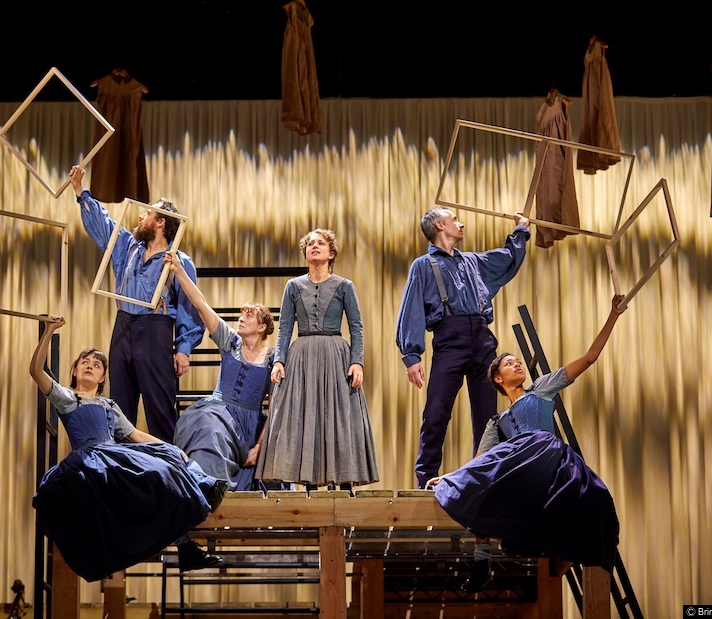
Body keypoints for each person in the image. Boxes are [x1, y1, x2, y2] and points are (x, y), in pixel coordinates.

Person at [427, 295, 627, 592]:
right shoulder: (497, 422)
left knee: (588, 490)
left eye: (518, 362)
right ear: (498, 378)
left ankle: (537, 542)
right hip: (523, 469)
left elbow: (589, 357)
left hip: (549, 458)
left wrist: (613, 315)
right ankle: (482, 560)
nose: (518, 365)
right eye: (509, 364)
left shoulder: (540, 389)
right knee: (482, 484)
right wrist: (450, 476)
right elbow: (479, 461)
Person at [29, 316, 226, 580]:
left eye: (96, 364)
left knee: (164, 468)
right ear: (74, 371)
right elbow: (36, 371)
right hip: (89, 462)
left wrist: (172, 448)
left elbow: (134, 434)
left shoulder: (109, 405)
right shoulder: (67, 398)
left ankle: (187, 540)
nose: (90, 366)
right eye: (84, 362)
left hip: (114, 456)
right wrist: (49, 331)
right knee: (153, 476)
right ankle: (185, 543)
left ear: (103, 377)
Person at [396, 208, 531, 489]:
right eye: (454, 220)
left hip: (482, 339)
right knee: (436, 411)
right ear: (439, 225)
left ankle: (484, 479)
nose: (461, 224)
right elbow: (412, 308)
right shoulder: (423, 265)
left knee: (487, 415)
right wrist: (412, 355)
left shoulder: (472, 261)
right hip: (450, 339)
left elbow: (507, 258)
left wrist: (521, 230)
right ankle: (425, 480)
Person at [70, 166, 205, 439]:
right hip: (123, 325)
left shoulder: (179, 261)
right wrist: (80, 191)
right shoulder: (128, 247)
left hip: (155, 328)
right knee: (120, 407)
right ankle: (123, 462)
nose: (141, 216)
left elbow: (190, 307)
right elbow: (103, 226)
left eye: (149, 213)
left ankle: (167, 463)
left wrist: (184, 349)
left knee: (159, 407)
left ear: (161, 223)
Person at [255, 228, 379, 489]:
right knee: (305, 414)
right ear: (305, 253)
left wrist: (357, 361)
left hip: (336, 355)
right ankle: (310, 484)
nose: (314, 246)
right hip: (302, 357)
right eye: (310, 243)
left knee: (339, 416)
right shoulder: (293, 286)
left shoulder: (345, 286)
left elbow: (356, 327)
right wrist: (279, 361)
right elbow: (285, 327)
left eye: (320, 243)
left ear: (331, 253)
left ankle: (344, 482)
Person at [165, 251, 275, 491]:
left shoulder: (273, 360)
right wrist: (179, 271)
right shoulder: (231, 342)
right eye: (241, 315)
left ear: (262, 327)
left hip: (249, 425)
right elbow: (200, 304)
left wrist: (259, 446)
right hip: (218, 412)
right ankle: (206, 491)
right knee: (209, 430)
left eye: (249, 316)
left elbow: (277, 405)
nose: (241, 319)